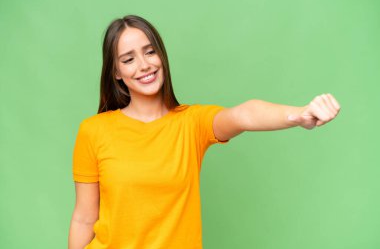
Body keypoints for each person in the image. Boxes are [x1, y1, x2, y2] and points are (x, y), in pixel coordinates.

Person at [68, 14, 341, 249]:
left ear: (161, 55)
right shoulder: (94, 130)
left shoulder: (191, 123)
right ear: (116, 71)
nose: (144, 65)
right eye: (128, 59)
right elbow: (84, 217)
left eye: (150, 52)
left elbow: (244, 114)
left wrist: (298, 114)